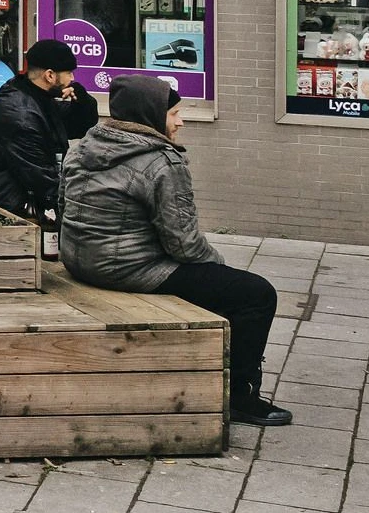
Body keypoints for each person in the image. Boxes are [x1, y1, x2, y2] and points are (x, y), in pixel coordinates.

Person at [57, 75, 291, 426]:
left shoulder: (85, 147)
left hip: (79, 260)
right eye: (175, 114)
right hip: (126, 269)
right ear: (150, 116)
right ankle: (239, 396)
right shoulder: (161, 162)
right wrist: (219, 268)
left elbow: (63, 206)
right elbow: (183, 243)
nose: (181, 122)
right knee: (255, 294)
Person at [0, 38, 97, 224]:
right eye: (68, 72)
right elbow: (41, 177)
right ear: (50, 75)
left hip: (21, 189)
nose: (72, 78)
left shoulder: (36, 96)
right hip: (4, 197)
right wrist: (81, 209)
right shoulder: (21, 114)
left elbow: (80, 126)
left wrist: (81, 99)